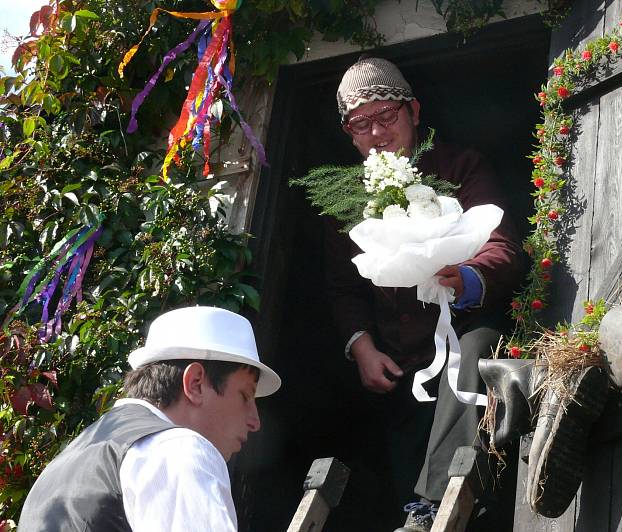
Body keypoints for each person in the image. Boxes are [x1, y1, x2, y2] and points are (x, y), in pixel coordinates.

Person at [326, 56, 527, 531]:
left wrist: (468, 275)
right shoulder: (341, 198)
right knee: (404, 440)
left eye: (386, 116)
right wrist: (362, 347)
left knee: (476, 353)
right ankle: (419, 515)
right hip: (400, 356)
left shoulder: (460, 166)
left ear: (414, 110)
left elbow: (504, 246)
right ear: (348, 132)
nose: (376, 133)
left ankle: (439, 507)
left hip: (462, 326)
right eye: (360, 123)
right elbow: (343, 289)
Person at [18, 306, 281, 532]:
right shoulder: (178, 449)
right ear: (196, 383)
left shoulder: (67, 462)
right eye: (245, 396)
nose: (254, 421)